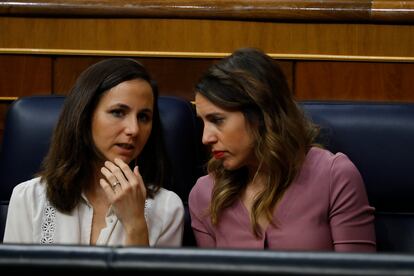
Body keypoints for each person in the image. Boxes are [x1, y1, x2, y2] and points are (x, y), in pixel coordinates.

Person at [189, 48, 376, 252]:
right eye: (203, 122)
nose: (206, 138)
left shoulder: (335, 176)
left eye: (217, 120)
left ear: (261, 114)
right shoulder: (204, 194)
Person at [3, 58, 184, 246]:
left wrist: (135, 225)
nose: (134, 129)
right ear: (84, 116)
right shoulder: (27, 199)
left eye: (144, 117)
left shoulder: (167, 208)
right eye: (118, 112)